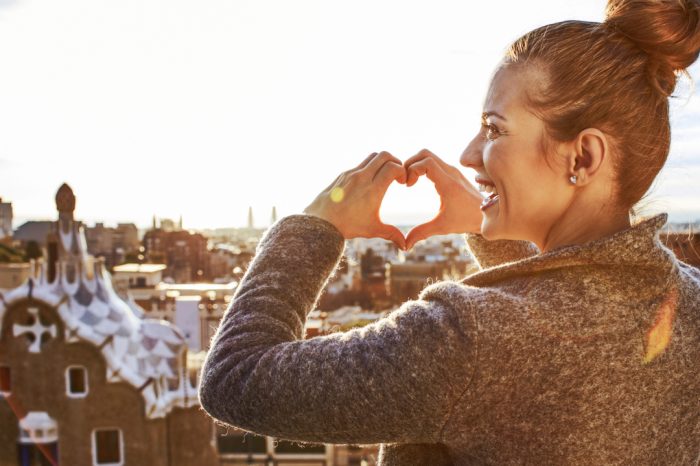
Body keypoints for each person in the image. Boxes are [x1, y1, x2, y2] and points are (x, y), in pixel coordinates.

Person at [198, 0, 700, 463]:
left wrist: (314, 227)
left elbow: (234, 378)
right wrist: (494, 231)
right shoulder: (689, 303)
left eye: (495, 129)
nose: (467, 154)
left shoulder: (463, 340)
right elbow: (562, 332)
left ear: (583, 156)